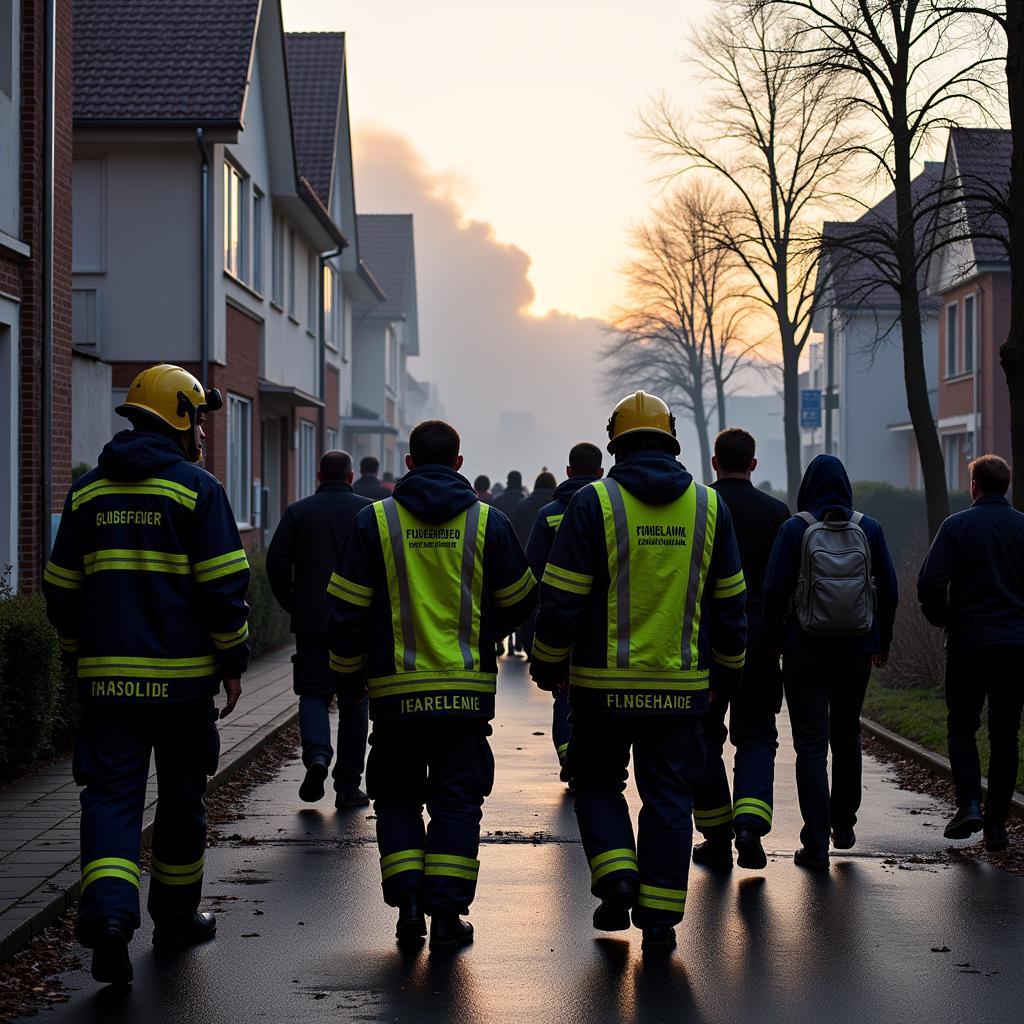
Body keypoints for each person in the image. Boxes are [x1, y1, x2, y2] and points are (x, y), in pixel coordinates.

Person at [42, 364, 250, 987]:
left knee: (109, 800)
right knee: (183, 803)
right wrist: (233, 662)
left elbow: (60, 591)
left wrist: (79, 652)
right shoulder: (197, 490)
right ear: (181, 418)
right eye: (200, 421)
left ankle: (109, 921)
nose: (203, 436)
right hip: (184, 690)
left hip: (106, 688)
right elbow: (223, 589)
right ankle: (176, 920)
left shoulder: (87, 494)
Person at [531, 392, 747, 953]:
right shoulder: (707, 507)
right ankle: (659, 920)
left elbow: (562, 597)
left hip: (601, 691)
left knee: (598, 782)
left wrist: (549, 660)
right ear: (671, 441)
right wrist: (728, 671)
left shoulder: (594, 503)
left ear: (616, 444)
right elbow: (729, 602)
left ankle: (617, 879)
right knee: (669, 797)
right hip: (681, 692)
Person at [327, 420, 536, 951]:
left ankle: (408, 908)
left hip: (395, 697)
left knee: (396, 796)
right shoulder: (488, 523)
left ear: (410, 464)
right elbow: (520, 600)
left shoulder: (374, 521)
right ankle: (446, 917)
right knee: (457, 802)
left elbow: (346, 611)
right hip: (465, 697)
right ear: (460, 464)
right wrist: (487, 630)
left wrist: (348, 677)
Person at [763, 454, 898, 870]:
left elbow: (772, 592)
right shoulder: (868, 528)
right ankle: (844, 822)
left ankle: (816, 840)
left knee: (809, 745)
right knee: (847, 736)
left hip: (804, 649)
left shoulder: (794, 529)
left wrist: (775, 643)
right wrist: (882, 640)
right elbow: (889, 590)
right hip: (856, 648)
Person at [691, 429, 790, 871]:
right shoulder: (777, 515)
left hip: (706, 641)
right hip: (761, 640)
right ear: (753, 464)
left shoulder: (698, 508)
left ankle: (716, 835)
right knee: (756, 736)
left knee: (705, 737)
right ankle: (750, 822)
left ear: (714, 463)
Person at [917, 454, 1024, 851]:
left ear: (974, 486)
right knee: (1005, 734)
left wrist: (944, 618)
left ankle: (969, 805)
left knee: (962, 726)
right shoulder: (1022, 528)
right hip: (1015, 646)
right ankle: (997, 825)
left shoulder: (957, 527)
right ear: (1006, 486)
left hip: (968, 644)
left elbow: (930, 582)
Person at [266, 450, 371, 809]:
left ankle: (317, 757)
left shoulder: (299, 511)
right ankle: (347, 785)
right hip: (358, 622)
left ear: (318, 475)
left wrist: (292, 601)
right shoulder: (370, 511)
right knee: (355, 701)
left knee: (313, 693)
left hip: (312, 620)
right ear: (351, 476)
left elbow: (276, 562)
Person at [524, 444, 604, 780]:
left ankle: (569, 758)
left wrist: (536, 639)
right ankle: (588, 761)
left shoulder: (549, 515)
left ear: (568, 471)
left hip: (561, 621)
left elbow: (534, 576)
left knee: (563, 695)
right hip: (603, 624)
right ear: (600, 472)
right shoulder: (610, 511)